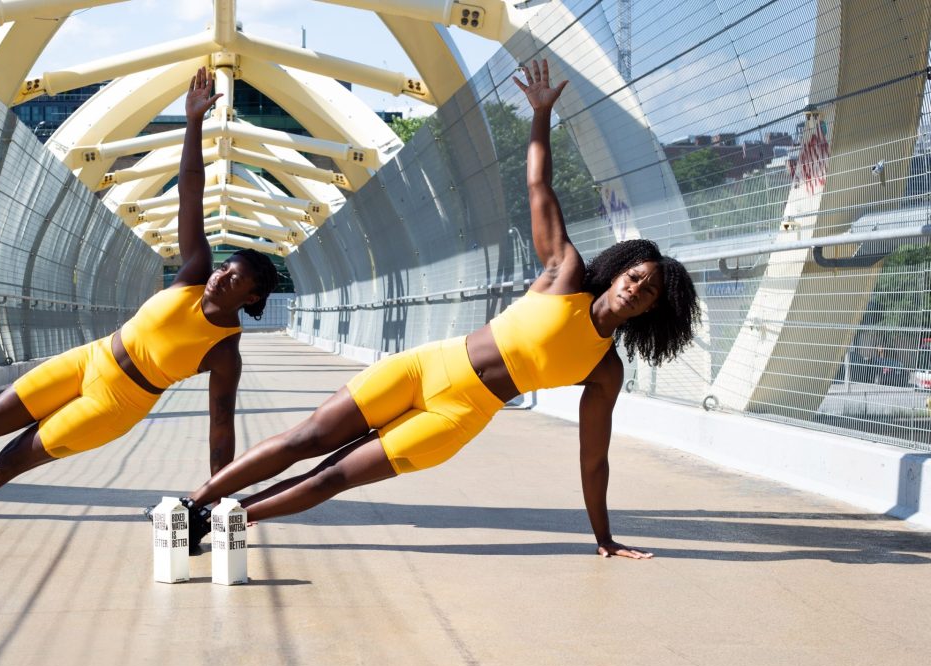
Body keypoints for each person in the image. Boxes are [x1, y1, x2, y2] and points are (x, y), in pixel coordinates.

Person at [182, 59, 700, 559]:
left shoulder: (605, 368)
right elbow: (539, 187)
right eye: (636, 277)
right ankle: (194, 503)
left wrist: (604, 536)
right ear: (619, 270)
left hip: (457, 415)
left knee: (332, 476)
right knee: (307, 438)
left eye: (650, 293)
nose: (638, 290)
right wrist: (541, 113)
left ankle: (216, 521)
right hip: (422, 368)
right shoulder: (564, 274)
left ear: (652, 311)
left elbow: (593, 459)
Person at [0, 66, 278, 546]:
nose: (219, 276)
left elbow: (220, 429)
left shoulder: (225, 352)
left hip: (114, 404)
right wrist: (192, 122)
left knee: (13, 458)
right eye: (224, 267)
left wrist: (217, 497)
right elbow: (191, 193)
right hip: (91, 358)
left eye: (233, 278)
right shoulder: (193, 272)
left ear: (251, 297)